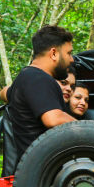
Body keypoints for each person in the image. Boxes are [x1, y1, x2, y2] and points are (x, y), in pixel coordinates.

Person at [7, 25, 78, 160]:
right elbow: (53, 119)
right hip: (42, 171)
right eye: (68, 53)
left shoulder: (26, 78)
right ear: (53, 53)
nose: (72, 59)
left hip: (34, 168)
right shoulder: (38, 78)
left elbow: (5, 93)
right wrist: (93, 129)